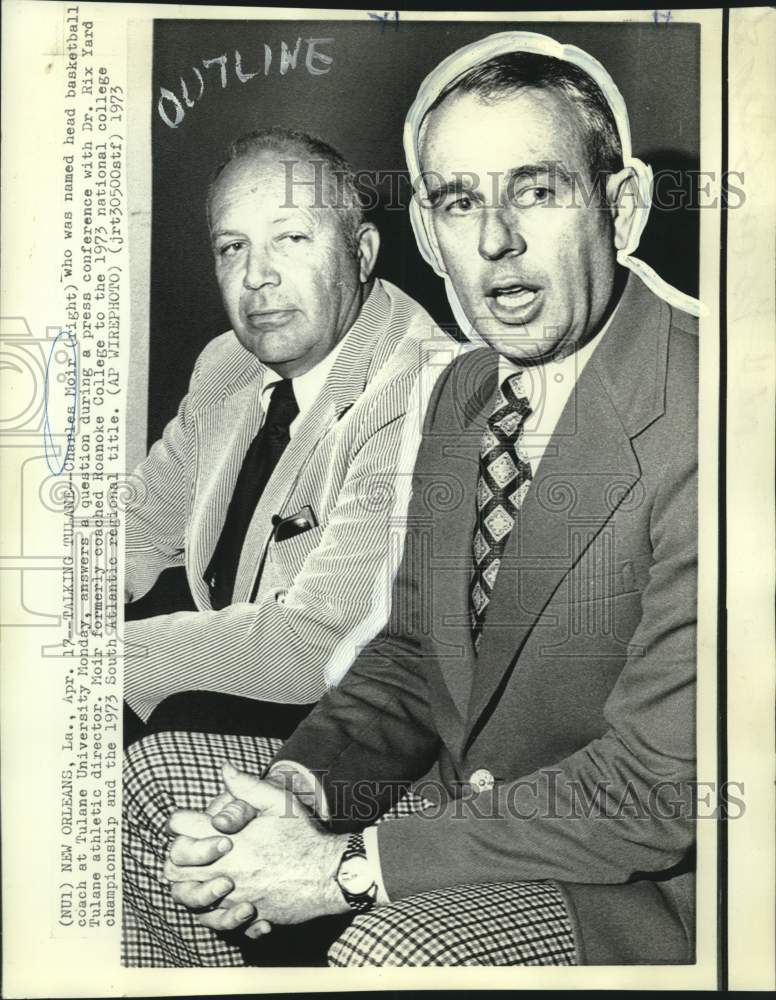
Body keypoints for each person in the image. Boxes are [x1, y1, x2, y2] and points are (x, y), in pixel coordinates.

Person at [124, 33, 699, 967]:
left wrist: (351, 866)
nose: (496, 240)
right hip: (457, 800)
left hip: (634, 882)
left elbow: (653, 791)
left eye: (538, 191)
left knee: (383, 949)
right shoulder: (464, 388)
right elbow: (404, 657)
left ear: (623, 207)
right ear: (430, 235)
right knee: (157, 787)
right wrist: (301, 788)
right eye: (460, 201)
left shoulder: (715, 417)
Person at [123, 127, 459, 742]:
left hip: (361, 740)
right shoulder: (229, 362)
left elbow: (315, 646)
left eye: (291, 238)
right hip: (234, 700)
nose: (256, 277)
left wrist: (91, 660)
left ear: (361, 253)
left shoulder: (425, 389)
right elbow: (140, 528)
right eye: (232, 247)